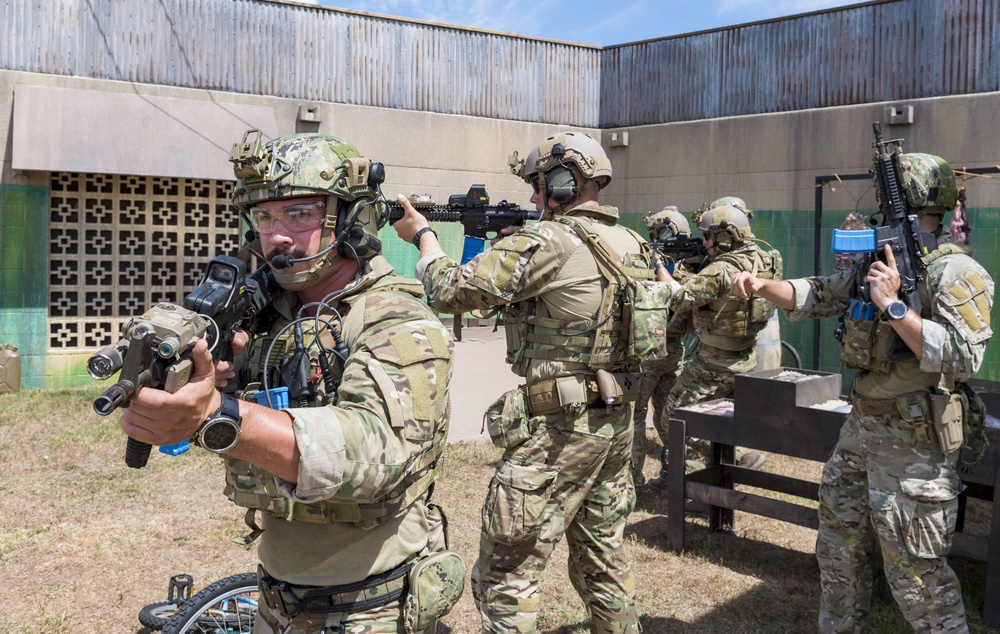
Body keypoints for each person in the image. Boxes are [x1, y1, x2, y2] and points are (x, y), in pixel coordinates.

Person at [119, 130, 463, 633]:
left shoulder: (396, 318)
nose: (275, 235)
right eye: (263, 217)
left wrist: (221, 414)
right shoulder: (277, 312)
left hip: (370, 607)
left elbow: (380, 455)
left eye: (299, 214)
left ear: (352, 218)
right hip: (277, 596)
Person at [392, 131, 645, 633]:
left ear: (563, 181)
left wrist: (422, 235)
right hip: (614, 421)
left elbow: (449, 289)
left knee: (507, 573)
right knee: (603, 564)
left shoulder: (549, 240)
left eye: (538, 185)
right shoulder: (629, 241)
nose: (533, 197)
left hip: (560, 429)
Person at [731, 151, 994, 633]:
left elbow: (962, 356)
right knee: (838, 552)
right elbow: (819, 292)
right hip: (861, 430)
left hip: (915, 441)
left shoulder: (957, 273)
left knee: (917, 575)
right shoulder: (877, 265)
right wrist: (764, 285)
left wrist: (893, 305)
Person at [646, 196, 780, 489]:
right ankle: (707, 477)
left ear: (726, 235)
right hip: (744, 355)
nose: (704, 242)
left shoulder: (721, 269)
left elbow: (679, 296)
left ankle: (705, 477)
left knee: (675, 418)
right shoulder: (768, 257)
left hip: (713, 362)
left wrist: (659, 268)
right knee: (720, 419)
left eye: (708, 236)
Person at [631, 206, 701, 487]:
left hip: (649, 350)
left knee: (635, 417)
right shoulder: (693, 262)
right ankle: (676, 476)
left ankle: (633, 480)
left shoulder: (660, 263)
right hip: (673, 351)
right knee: (668, 416)